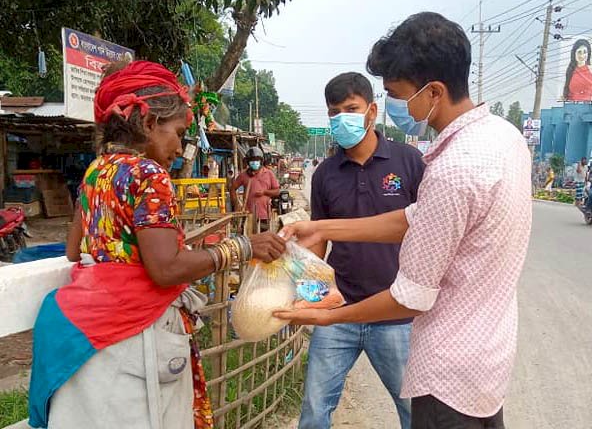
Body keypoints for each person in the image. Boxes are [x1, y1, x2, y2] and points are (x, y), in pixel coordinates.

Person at [276, 12, 532, 429]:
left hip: (447, 371)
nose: (399, 105)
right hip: (486, 361)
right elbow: (419, 217)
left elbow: (412, 297)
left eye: (399, 93)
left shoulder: (449, 168)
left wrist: (328, 317)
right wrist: (323, 228)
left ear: (433, 91)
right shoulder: (503, 138)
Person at [28, 60, 286, 429]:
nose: (180, 148)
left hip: (87, 329)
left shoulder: (97, 170)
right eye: (178, 132)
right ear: (149, 123)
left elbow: (74, 250)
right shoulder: (148, 174)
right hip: (136, 334)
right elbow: (165, 269)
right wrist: (242, 247)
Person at [297, 72, 424, 429]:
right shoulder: (325, 174)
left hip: (397, 314)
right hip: (340, 311)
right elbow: (319, 238)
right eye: (333, 113)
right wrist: (306, 291)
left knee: (415, 412)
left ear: (371, 110)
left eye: (350, 109)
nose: (341, 119)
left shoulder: (409, 162)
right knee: (314, 410)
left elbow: (428, 232)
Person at [231, 147, 280, 230]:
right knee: (249, 239)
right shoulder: (244, 175)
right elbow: (232, 189)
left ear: (261, 161)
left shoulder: (269, 173)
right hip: (247, 214)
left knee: (262, 239)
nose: (254, 162)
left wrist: (264, 192)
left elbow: (277, 191)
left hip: (264, 215)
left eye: (257, 160)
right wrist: (236, 204)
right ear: (248, 162)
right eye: (252, 160)